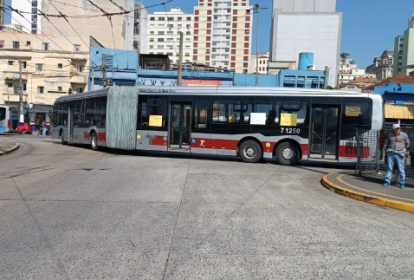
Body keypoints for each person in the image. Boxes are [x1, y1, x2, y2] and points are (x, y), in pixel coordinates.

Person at [384, 124, 410, 188]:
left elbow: (408, 143)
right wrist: (387, 150)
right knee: (389, 168)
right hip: (391, 153)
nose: (398, 130)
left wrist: (405, 150)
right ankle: (387, 181)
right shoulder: (389, 135)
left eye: (398, 128)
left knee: (401, 169)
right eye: (396, 128)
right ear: (393, 129)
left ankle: (402, 183)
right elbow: (386, 143)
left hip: (400, 153)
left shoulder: (404, 135)